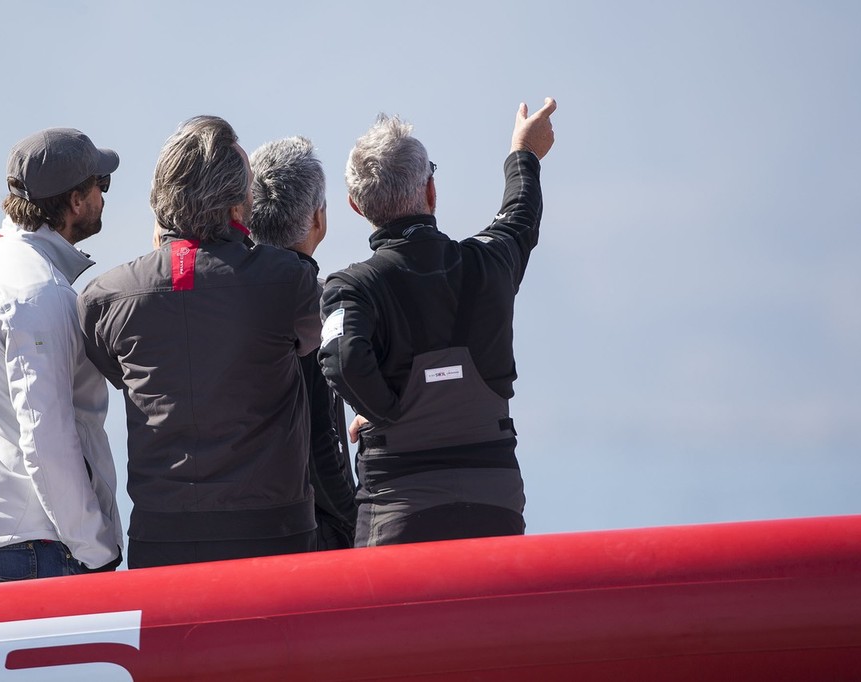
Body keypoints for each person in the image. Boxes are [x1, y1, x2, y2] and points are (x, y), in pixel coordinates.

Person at [77, 116, 322, 568]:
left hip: (163, 540)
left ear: (160, 200)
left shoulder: (103, 299)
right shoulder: (291, 281)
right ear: (237, 203)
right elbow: (309, 342)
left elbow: (118, 370)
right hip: (273, 534)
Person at [319, 98, 557, 547]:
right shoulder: (490, 262)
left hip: (397, 514)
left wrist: (383, 411)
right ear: (431, 191)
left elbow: (341, 359)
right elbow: (520, 216)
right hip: (495, 504)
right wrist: (523, 154)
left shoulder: (349, 289)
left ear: (355, 206)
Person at [0, 127, 124, 584]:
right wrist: (97, 550)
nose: (104, 195)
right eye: (102, 183)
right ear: (76, 201)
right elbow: (47, 439)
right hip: (40, 550)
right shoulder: (37, 291)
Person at [248, 136, 358, 550]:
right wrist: (356, 520)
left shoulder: (227, 299)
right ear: (318, 219)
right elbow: (321, 439)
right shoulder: (314, 306)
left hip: (238, 530)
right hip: (310, 534)